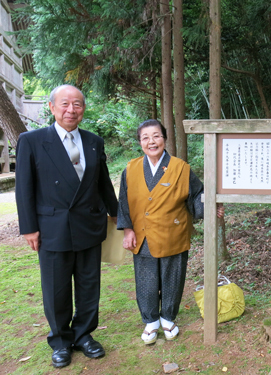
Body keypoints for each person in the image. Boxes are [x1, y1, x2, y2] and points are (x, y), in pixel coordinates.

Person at [15, 84, 118, 368]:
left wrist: (118, 215)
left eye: (77, 104)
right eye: (65, 104)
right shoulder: (32, 140)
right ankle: (60, 341)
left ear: (83, 109)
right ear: (51, 107)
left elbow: (103, 183)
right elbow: (24, 188)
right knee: (56, 288)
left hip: (88, 224)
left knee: (88, 285)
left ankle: (84, 335)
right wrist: (29, 228)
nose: (71, 110)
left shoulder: (94, 141)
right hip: (52, 227)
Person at [117, 119, 223, 345]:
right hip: (142, 233)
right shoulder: (131, 168)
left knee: (172, 277)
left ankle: (167, 318)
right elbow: (123, 202)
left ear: (164, 139)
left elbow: (197, 194)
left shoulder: (180, 168)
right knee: (145, 279)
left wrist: (211, 206)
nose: (151, 141)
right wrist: (127, 230)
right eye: (145, 137)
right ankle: (150, 321)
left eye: (156, 136)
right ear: (140, 142)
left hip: (173, 231)